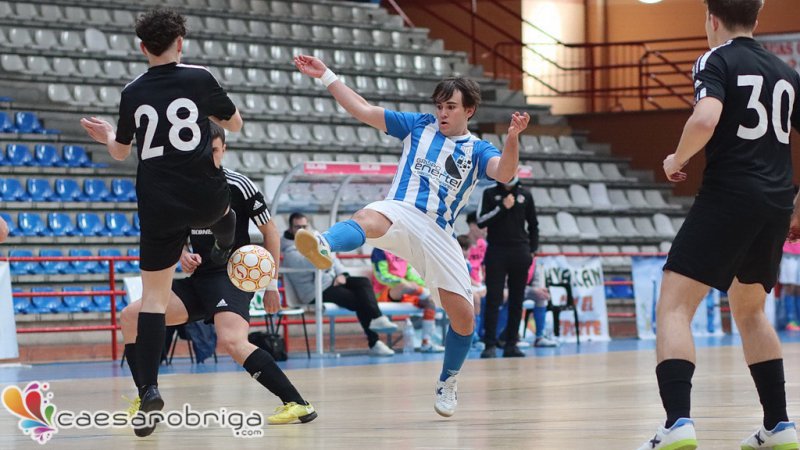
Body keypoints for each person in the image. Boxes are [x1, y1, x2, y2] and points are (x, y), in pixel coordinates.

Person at [292, 54, 529, 417]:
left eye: (451, 107)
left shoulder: (478, 150)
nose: (442, 113)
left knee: (464, 317)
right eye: (439, 106)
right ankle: (324, 244)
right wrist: (326, 75)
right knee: (367, 216)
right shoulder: (418, 126)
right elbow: (363, 109)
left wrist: (512, 138)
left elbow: (505, 173)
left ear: (469, 110)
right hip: (401, 210)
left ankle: (448, 380)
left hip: (439, 232)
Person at [638, 1, 800, 448]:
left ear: (712, 18)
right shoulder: (786, 72)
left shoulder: (715, 59)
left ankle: (677, 423)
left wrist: (677, 159)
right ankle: (779, 425)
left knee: (674, 307)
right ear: (757, 18)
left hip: (730, 195)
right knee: (750, 311)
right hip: (775, 202)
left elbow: (706, 117)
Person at [79, 8, 243, 437]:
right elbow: (235, 124)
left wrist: (106, 135)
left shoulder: (133, 90)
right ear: (180, 43)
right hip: (204, 197)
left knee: (153, 300)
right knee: (222, 212)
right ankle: (224, 237)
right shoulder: (199, 77)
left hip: (158, 205)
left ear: (142, 47)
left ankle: (149, 389)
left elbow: (120, 152)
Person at [120, 123, 316, 429]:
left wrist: (271, 284)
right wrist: (183, 254)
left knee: (231, 341)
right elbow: (174, 234)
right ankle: (146, 398)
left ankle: (297, 403)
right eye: (202, 151)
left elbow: (271, 233)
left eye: (213, 150)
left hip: (232, 276)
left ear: (223, 149)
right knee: (131, 317)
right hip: (199, 280)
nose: (208, 156)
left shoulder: (238, 185)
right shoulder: (181, 187)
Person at [281, 213, 399, 356]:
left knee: (363, 282)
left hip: (331, 282)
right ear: (290, 228)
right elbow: (315, 261)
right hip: (314, 292)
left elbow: (333, 260)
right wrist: (321, 248)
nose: (301, 230)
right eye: (297, 227)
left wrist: (342, 274)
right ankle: (374, 341)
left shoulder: (316, 241)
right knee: (360, 301)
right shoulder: (289, 251)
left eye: (304, 226)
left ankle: (377, 318)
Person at [476, 176, 539, 358]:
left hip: (520, 251)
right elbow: (481, 220)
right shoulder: (489, 193)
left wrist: (532, 250)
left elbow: (533, 225)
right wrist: (502, 207)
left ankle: (511, 344)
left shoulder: (525, 195)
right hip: (497, 251)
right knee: (493, 299)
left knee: (517, 300)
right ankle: (490, 344)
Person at [371, 248, 444, 353]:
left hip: (405, 292)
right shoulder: (379, 250)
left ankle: (426, 343)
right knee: (406, 286)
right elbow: (381, 276)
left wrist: (427, 285)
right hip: (383, 293)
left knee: (430, 302)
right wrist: (404, 283)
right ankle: (424, 293)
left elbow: (409, 275)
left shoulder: (402, 249)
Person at [778, 239, 800, 331]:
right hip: (788, 254)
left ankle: (798, 321)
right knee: (790, 288)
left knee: (798, 289)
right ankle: (790, 321)